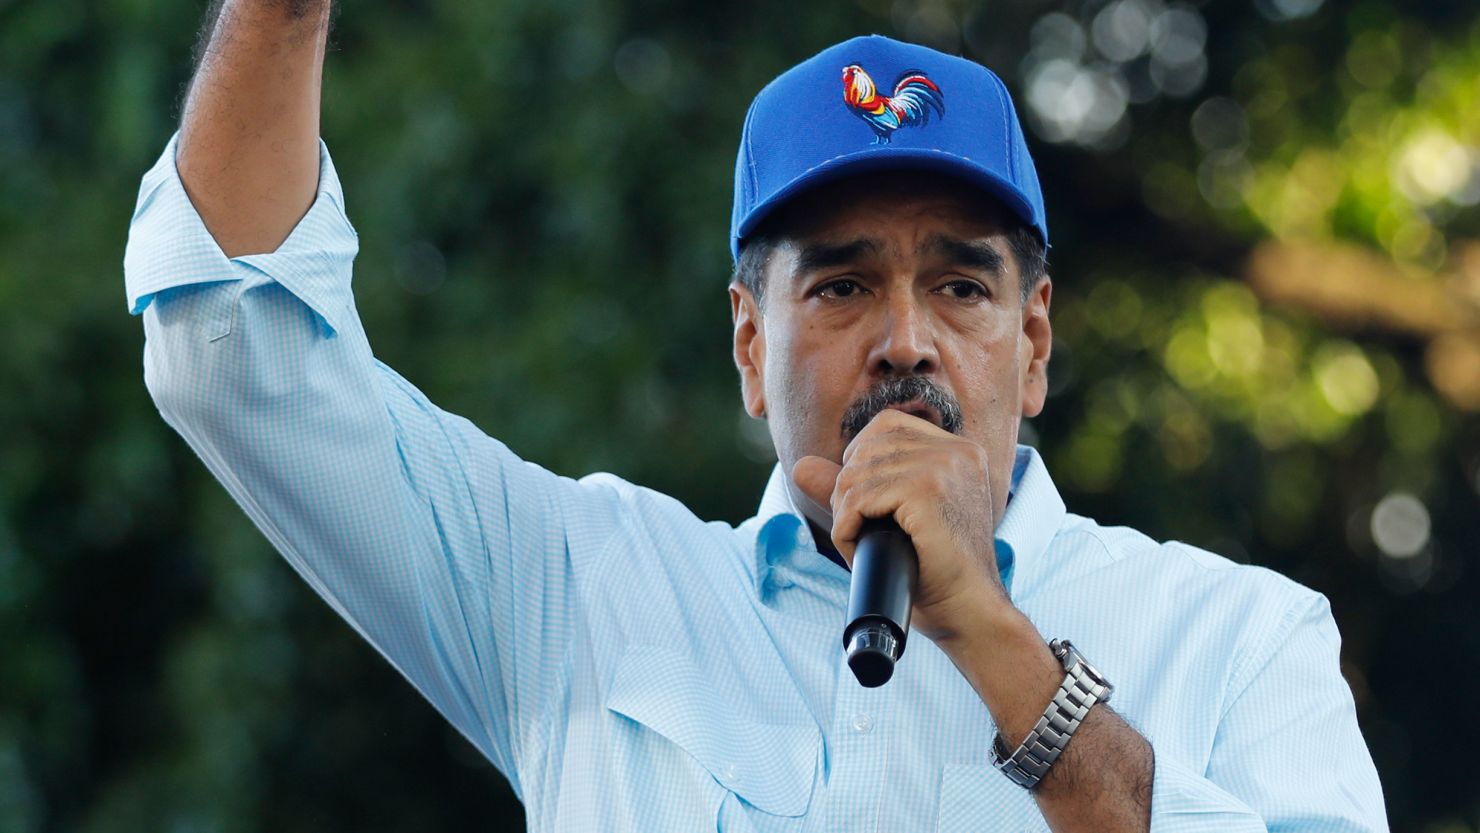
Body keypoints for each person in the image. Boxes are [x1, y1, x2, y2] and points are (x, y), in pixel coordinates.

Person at [122, 1, 1388, 829]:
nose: (905, 338)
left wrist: (995, 642)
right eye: (840, 284)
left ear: (1035, 341)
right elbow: (236, 353)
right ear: (747, 343)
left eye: (959, 284)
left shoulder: (1239, 634)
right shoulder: (580, 593)